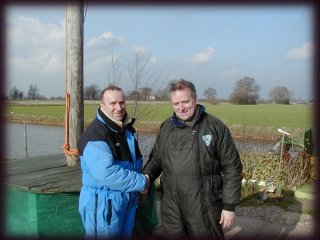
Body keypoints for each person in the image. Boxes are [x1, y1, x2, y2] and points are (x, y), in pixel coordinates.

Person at [142, 79, 243, 239]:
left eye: (185, 102)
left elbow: (232, 168)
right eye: (176, 104)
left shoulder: (215, 127)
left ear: (195, 99)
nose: (181, 108)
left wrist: (229, 206)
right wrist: (146, 177)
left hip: (204, 206)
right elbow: (156, 159)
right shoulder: (166, 127)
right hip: (172, 207)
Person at [77, 85, 150, 239]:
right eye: (113, 103)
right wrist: (142, 182)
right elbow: (106, 173)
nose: (119, 107)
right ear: (102, 106)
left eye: (122, 102)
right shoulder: (96, 134)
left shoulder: (125, 130)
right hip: (104, 203)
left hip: (125, 199)